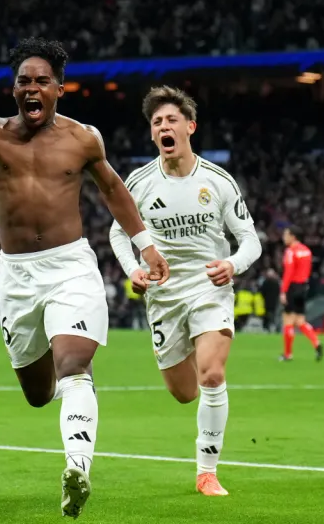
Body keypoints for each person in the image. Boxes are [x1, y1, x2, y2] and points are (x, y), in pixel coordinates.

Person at [0, 37, 169, 519]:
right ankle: (64, 388)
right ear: (13, 90)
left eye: (41, 81)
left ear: (59, 89)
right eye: (24, 81)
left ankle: (77, 466)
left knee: (74, 365)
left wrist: (146, 245)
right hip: (18, 278)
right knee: (37, 393)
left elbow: (113, 190)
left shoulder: (83, 139)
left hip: (71, 267)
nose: (32, 88)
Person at [109, 86, 260, 497]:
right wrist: (134, 269)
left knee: (212, 374)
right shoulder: (138, 182)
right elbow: (118, 235)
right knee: (183, 392)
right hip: (164, 294)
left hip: (209, 287)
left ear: (190, 126)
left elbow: (250, 240)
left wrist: (232, 264)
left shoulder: (218, 181)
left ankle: (206, 472)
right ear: (153, 135)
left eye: (171, 119)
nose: (163, 126)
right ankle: (192, 341)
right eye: (157, 122)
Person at [280, 226, 323, 361]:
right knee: (300, 321)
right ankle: (317, 343)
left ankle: (288, 354)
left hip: (292, 286)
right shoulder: (306, 251)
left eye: (286, 234)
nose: (284, 237)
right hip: (303, 287)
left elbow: (289, 272)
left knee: (288, 321)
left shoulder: (290, 252)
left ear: (293, 236)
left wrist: (283, 291)